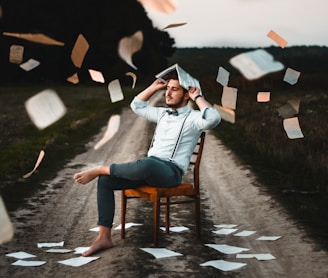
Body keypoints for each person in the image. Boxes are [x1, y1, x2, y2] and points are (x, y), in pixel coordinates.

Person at [73, 72, 221, 256]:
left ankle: (101, 169)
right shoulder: (162, 114)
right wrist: (154, 87)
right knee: (106, 181)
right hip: (149, 169)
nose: (168, 93)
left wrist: (198, 97)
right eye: (167, 89)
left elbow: (214, 119)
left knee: (146, 165)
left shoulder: (194, 118)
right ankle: (104, 238)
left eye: (174, 90)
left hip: (170, 173)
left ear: (186, 94)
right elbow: (136, 105)